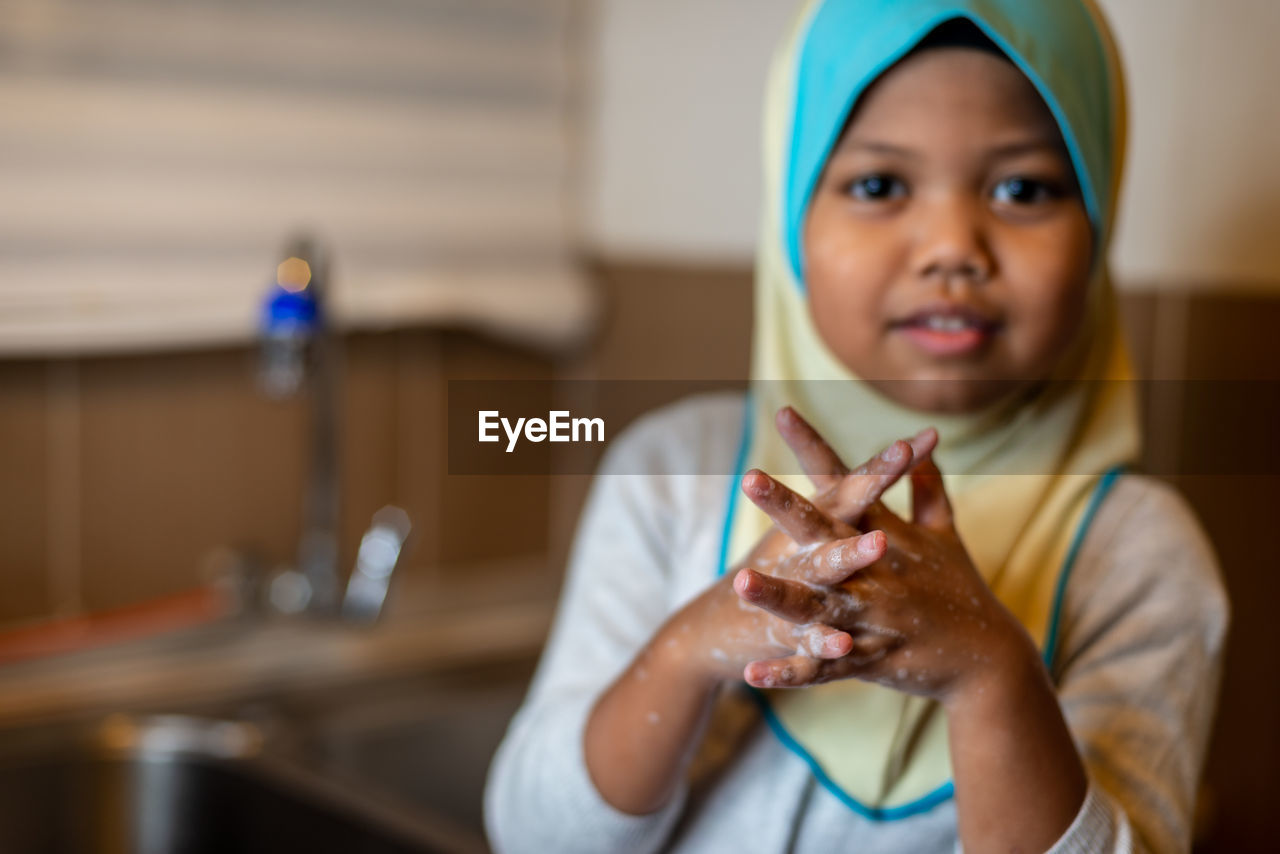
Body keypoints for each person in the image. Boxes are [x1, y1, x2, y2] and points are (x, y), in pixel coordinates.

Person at [485, 1, 1228, 851]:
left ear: (1099, 227)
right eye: (879, 185)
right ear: (790, 218)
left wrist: (991, 674)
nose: (952, 246)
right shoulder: (669, 477)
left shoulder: (1139, 557)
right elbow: (535, 836)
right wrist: (693, 646)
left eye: (1023, 188)